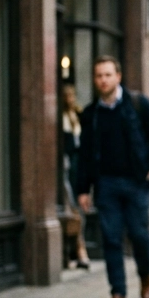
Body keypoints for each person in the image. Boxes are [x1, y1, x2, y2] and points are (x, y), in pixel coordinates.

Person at [75, 56, 149, 298]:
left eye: (108, 75)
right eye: (99, 76)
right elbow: (84, 154)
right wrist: (83, 189)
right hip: (106, 184)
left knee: (140, 235)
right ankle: (118, 292)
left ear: (118, 77)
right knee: (111, 238)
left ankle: (145, 275)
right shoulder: (91, 114)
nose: (103, 80)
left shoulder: (139, 104)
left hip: (137, 181)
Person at [61, 82, 90, 270]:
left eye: (72, 95)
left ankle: (78, 250)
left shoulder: (77, 115)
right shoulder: (60, 118)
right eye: (67, 96)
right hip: (66, 168)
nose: (70, 99)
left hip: (79, 170)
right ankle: (77, 251)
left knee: (79, 211)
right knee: (71, 211)